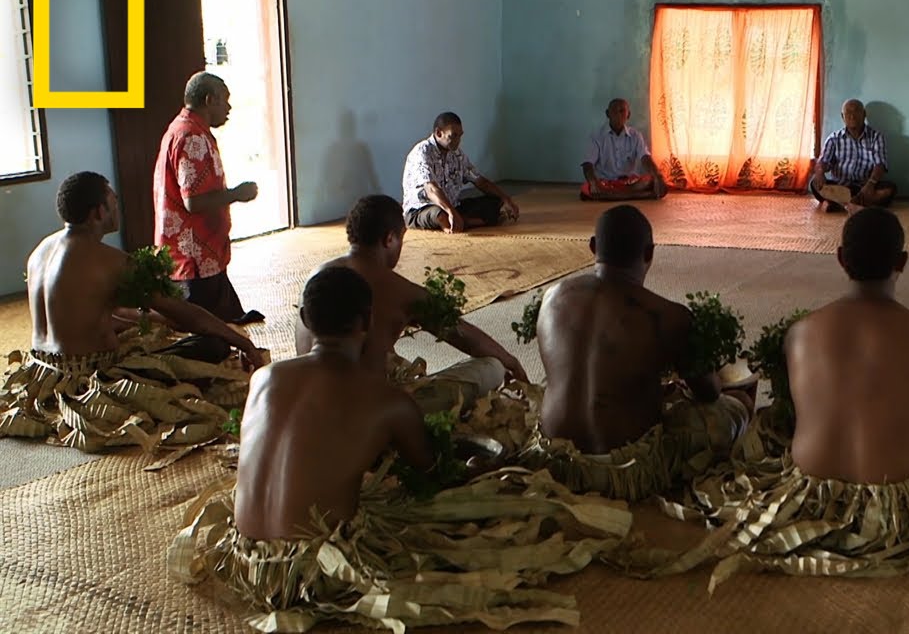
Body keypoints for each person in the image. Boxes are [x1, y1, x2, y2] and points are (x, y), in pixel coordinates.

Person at [169, 266, 633, 632]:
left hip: (248, 557)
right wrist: (480, 467)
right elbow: (432, 474)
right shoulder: (385, 399)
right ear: (367, 323)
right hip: (316, 569)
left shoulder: (262, 379)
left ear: (306, 321)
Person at [631, 209, 909, 585]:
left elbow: (794, 410)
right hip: (892, 507)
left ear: (839, 259)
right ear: (902, 261)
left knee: (776, 421)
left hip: (806, 496)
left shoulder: (799, 333)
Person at [1, 172, 264, 453]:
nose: (117, 207)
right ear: (99, 211)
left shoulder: (40, 251)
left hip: (43, 375)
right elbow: (186, 313)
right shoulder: (110, 261)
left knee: (154, 328)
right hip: (91, 381)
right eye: (113, 200)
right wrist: (242, 341)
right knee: (212, 344)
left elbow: (77, 316)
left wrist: (151, 319)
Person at [519, 205, 752, 502]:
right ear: (649, 253)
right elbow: (707, 393)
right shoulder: (670, 316)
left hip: (550, 462)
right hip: (623, 470)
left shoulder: (551, 296)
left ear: (593, 247)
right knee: (737, 405)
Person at [295, 195, 529, 415]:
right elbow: (462, 334)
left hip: (307, 402)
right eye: (402, 238)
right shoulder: (400, 290)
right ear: (390, 239)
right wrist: (510, 361)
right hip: (367, 413)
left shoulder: (316, 278)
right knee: (492, 368)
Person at [153, 71, 264, 325]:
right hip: (195, 257)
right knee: (208, 333)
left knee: (227, 320)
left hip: (200, 254)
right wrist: (237, 194)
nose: (229, 107)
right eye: (224, 100)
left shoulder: (184, 128)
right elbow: (193, 201)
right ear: (208, 99)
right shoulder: (191, 137)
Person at [401, 112, 519, 233]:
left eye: (460, 136)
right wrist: (451, 212)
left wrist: (506, 199)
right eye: (453, 136)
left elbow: (479, 180)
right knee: (440, 214)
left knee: (496, 201)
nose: (458, 141)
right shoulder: (422, 152)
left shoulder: (456, 154)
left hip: (453, 206)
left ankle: (461, 221)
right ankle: (462, 221)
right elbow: (431, 189)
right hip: (421, 209)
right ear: (438, 133)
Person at [809, 99, 897, 213]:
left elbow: (880, 164)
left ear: (864, 114)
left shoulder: (876, 137)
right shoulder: (834, 138)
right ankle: (858, 205)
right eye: (848, 112)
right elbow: (823, 161)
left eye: (856, 111)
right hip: (841, 186)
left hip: (865, 186)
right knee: (815, 183)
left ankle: (837, 204)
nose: (852, 116)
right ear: (842, 116)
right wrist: (820, 172)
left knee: (890, 189)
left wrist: (870, 184)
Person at [581, 98, 668, 201]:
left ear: (628, 115)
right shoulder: (596, 136)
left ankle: (613, 196)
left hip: (630, 183)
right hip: (606, 183)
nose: (618, 114)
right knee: (587, 187)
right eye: (614, 111)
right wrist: (594, 183)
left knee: (652, 181)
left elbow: (645, 157)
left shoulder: (636, 135)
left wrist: (658, 176)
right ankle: (639, 196)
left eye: (622, 111)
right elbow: (587, 164)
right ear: (607, 114)